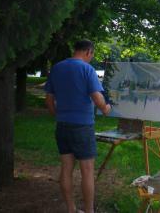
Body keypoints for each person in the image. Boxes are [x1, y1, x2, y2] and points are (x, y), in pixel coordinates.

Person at [45, 40, 111, 213]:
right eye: (92, 55)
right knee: (87, 171)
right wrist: (106, 108)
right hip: (82, 127)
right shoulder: (87, 69)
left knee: (66, 168)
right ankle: (89, 211)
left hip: (62, 125)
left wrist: (56, 115)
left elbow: (49, 98)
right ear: (88, 52)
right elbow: (97, 98)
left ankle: (71, 209)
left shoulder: (57, 68)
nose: (91, 58)